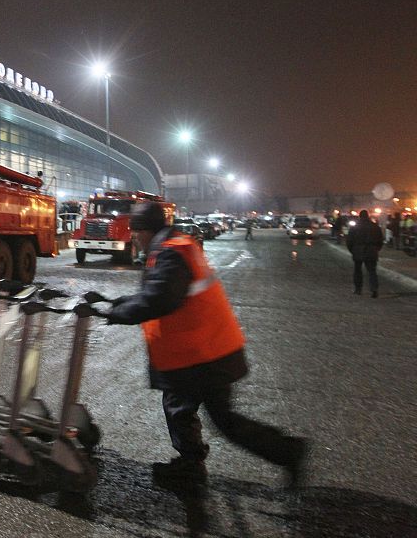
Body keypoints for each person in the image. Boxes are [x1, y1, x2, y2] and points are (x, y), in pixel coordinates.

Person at [103, 201, 307, 487]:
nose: (133, 238)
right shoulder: (175, 245)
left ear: (145, 230)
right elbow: (159, 291)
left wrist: (116, 314)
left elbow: (161, 298)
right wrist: (117, 302)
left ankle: (196, 464)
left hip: (199, 355)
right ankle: (280, 451)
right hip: (207, 350)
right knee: (202, 413)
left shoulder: (169, 253)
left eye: (135, 232)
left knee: (190, 411)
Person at [346, 209, 383, 298]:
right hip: (371, 250)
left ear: (360, 216)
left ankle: (358, 289)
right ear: (368, 216)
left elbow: (349, 240)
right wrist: (376, 249)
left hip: (358, 250)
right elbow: (380, 240)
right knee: (372, 271)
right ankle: (374, 289)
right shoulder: (375, 226)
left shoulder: (355, 227)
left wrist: (352, 250)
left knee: (358, 271)